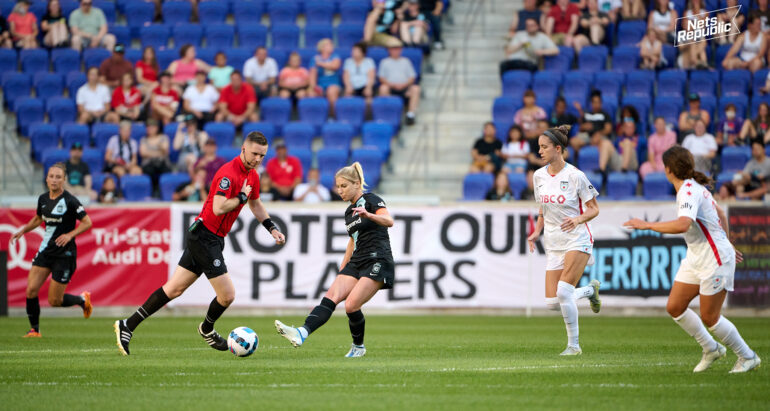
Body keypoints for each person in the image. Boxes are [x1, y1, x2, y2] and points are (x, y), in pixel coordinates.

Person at [115, 132, 286, 356]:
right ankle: (207, 329)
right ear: (243, 148)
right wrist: (241, 198)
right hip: (205, 236)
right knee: (227, 295)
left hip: (212, 238)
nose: (257, 159)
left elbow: (255, 204)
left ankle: (127, 325)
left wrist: (272, 227)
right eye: (254, 153)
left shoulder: (252, 176)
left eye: (262, 155)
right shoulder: (228, 173)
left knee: (174, 289)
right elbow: (218, 207)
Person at [623, 146, 760, 374]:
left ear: (668, 169)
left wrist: (647, 225)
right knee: (675, 307)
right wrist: (726, 242)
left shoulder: (688, 190)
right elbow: (722, 214)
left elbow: (683, 224)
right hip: (697, 256)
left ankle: (747, 356)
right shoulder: (695, 187)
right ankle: (711, 348)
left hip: (713, 258)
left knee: (710, 316)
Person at [275, 162, 394, 358]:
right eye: (337, 186)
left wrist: (369, 215)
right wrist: (343, 268)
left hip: (377, 259)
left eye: (344, 186)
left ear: (357, 184)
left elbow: (389, 221)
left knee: (351, 305)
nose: (340, 191)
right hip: (357, 261)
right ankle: (301, 333)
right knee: (331, 296)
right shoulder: (349, 212)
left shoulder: (372, 200)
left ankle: (358, 347)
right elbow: (352, 241)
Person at [527, 124, 602, 356]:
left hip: (577, 238)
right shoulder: (538, 176)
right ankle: (590, 291)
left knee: (563, 292)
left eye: (544, 147)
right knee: (552, 302)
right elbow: (543, 208)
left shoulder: (575, 176)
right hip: (553, 241)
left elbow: (594, 209)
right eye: (539, 147)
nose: (540, 151)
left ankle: (574, 346)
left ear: (558, 148)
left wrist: (578, 219)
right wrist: (537, 231)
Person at [10, 163, 94, 338]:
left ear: (64, 180)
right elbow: (38, 218)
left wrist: (70, 234)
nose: (54, 180)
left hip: (64, 254)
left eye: (58, 177)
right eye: (51, 176)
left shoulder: (70, 200)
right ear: (46, 178)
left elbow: (87, 222)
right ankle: (35, 330)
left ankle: (82, 300)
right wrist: (23, 230)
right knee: (31, 290)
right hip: (46, 251)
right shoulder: (43, 199)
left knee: (54, 301)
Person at [378, 45, 421, 125]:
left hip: (404, 88)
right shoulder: (385, 62)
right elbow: (381, 78)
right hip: (391, 88)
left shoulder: (406, 61)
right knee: (383, 88)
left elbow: (412, 77)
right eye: (393, 49)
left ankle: (410, 115)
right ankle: (389, 114)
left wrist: (404, 85)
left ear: (401, 50)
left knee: (415, 88)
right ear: (389, 50)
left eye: (397, 49)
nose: (395, 51)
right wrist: (392, 84)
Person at [309, 38, 342, 115]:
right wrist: (314, 87)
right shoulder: (315, 59)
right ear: (322, 47)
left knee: (331, 92)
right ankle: (317, 117)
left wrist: (320, 64)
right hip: (320, 84)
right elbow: (312, 75)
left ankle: (332, 116)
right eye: (329, 44)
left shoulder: (335, 56)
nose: (332, 46)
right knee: (311, 94)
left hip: (333, 83)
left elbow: (335, 66)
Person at [139, 118, 171, 194]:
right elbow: (143, 153)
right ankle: (153, 190)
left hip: (162, 163)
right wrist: (158, 151)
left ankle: (162, 191)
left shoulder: (163, 137)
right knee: (150, 169)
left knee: (163, 168)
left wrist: (150, 152)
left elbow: (166, 151)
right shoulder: (144, 139)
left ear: (157, 128)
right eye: (148, 127)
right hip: (149, 164)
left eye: (151, 127)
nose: (149, 129)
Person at [678, 0, 708, 69]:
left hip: (695, 55)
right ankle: (700, 63)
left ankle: (701, 63)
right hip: (685, 58)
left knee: (702, 50)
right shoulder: (682, 35)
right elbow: (680, 47)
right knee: (693, 45)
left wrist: (697, 11)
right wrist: (690, 44)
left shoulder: (705, 12)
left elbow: (704, 42)